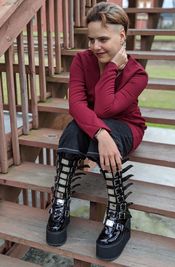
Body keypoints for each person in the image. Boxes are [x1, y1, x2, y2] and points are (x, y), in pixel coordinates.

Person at [46, 1, 148, 261]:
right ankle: (60, 203)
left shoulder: (137, 74)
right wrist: (100, 135)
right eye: (91, 39)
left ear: (122, 35)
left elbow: (105, 108)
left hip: (126, 126)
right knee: (72, 129)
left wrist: (112, 67)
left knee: (101, 128)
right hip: (92, 126)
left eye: (103, 39)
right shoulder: (82, 60)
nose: (94, 46)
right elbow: (76, 105)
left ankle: (118, 212)